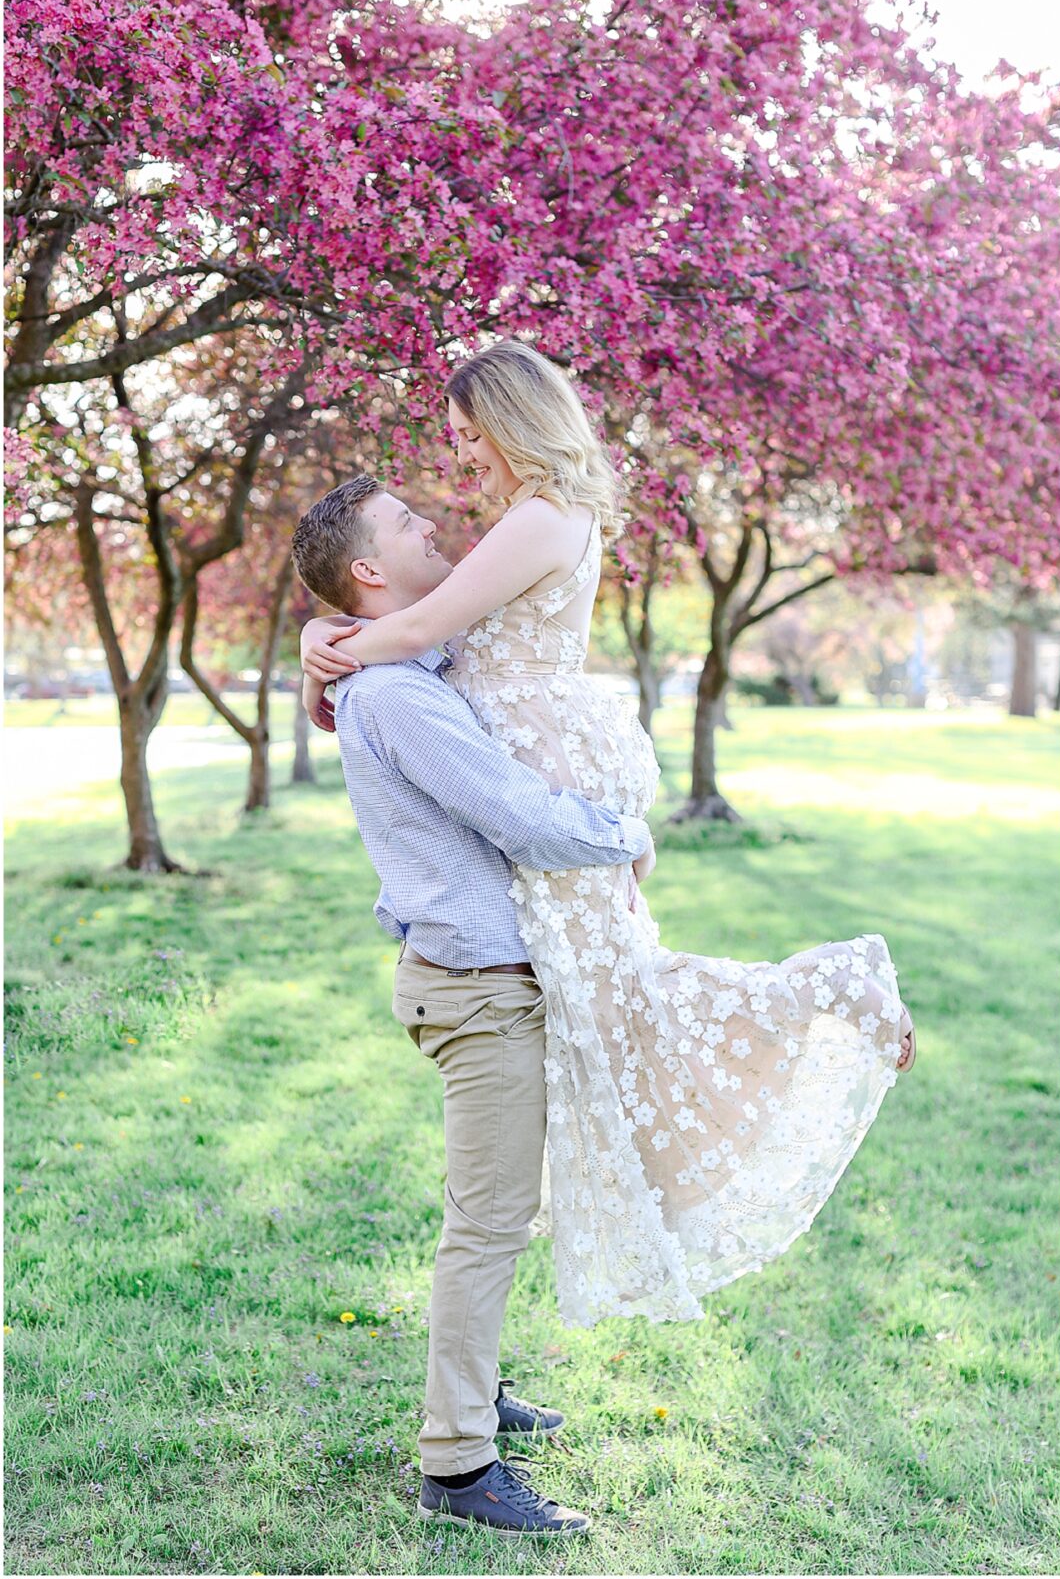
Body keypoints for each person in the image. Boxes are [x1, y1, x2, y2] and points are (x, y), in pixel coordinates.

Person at [301, 339, 916, 1337]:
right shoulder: (544, 516)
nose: (467, 463)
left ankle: (832, 987)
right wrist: (315, 644)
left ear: (510, 423)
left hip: (543, 771)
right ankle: (817, 999)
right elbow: (432, 632)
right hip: (546, 758)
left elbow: (419, 633)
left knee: (624, 1007)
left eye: (471, 438)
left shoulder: (541, 516)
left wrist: (323, 649)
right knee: (617, 1004)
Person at [290, 474, 659, 1537]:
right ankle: (457, 1461)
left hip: (485, 976)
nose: (434, 524)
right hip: (477, 990)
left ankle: (476, 1391)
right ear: (369, 568)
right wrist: (620, 832)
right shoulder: (398, 693)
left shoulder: (407, 662)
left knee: (500, 1209)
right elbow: (510, 810)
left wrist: (324, 636)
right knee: (488, 1223)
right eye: (408, 524)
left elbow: (477, 664)